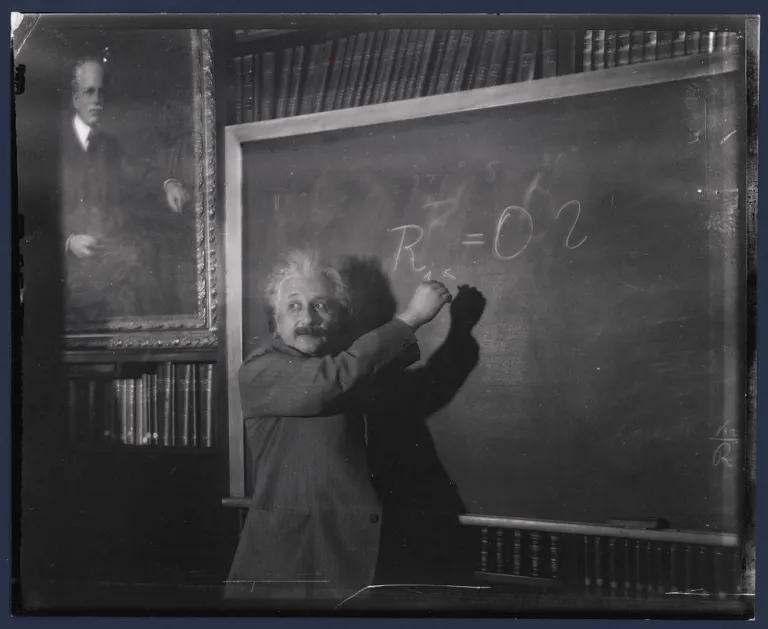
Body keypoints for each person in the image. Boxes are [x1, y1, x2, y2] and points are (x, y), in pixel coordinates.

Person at [225, 249, 454, 607]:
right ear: (275, 319)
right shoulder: (260, 370)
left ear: (337, 316)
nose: (307, 318)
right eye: (294, 306)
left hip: (358, 564)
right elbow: (329, 382)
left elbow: (365, 374)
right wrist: (410, 319)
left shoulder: (346, 369)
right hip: (290, 570)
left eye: (320, 305)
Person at [60, 56, 189, 323]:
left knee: (145, 272)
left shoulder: (108, 145)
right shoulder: (51, 147)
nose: (97, 100)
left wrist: (169, 183)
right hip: (65, 263)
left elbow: (139, 171)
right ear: (75, 98)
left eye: (101, 93)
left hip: (107, 253)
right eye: (89, 92)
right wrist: (68, 241)